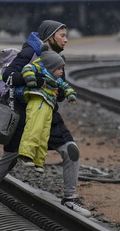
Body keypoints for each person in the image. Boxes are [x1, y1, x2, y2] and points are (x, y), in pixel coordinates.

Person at [0, 20, 91, 219]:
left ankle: (70, 198)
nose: (66, 40)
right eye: (62, 35)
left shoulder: (58, 58)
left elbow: (61, 88)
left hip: (48, 114)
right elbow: (8, 75)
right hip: (23, 115)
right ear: (50, 37)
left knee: (71, 150)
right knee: (8, 161)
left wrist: (61, 92)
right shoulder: (29, 52)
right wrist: (33, 80)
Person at [19, 45, 77, 173]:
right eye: (59, 69)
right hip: (38, 101)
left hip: (48, 106)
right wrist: (31, 80)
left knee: (44, 135)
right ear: (52, 68)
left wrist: (71, 95)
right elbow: (28, 68)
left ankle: (39, 161)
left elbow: (66, 86)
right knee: (34, 128)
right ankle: (26, 154)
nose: (62, 71)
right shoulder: (43, 71)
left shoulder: (56, 80)